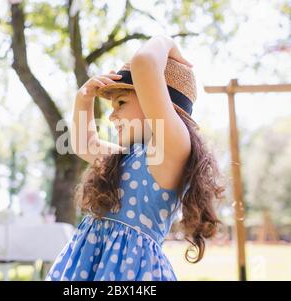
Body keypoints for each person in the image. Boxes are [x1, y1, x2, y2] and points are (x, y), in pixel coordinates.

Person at [46, 35, 224, 281]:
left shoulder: (169, 150)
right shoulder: (126, 156)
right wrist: (83, 98)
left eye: (120, 102)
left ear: (157, 100)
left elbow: (143, 63)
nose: (112, 116)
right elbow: (85, 144)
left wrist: (167, 42)